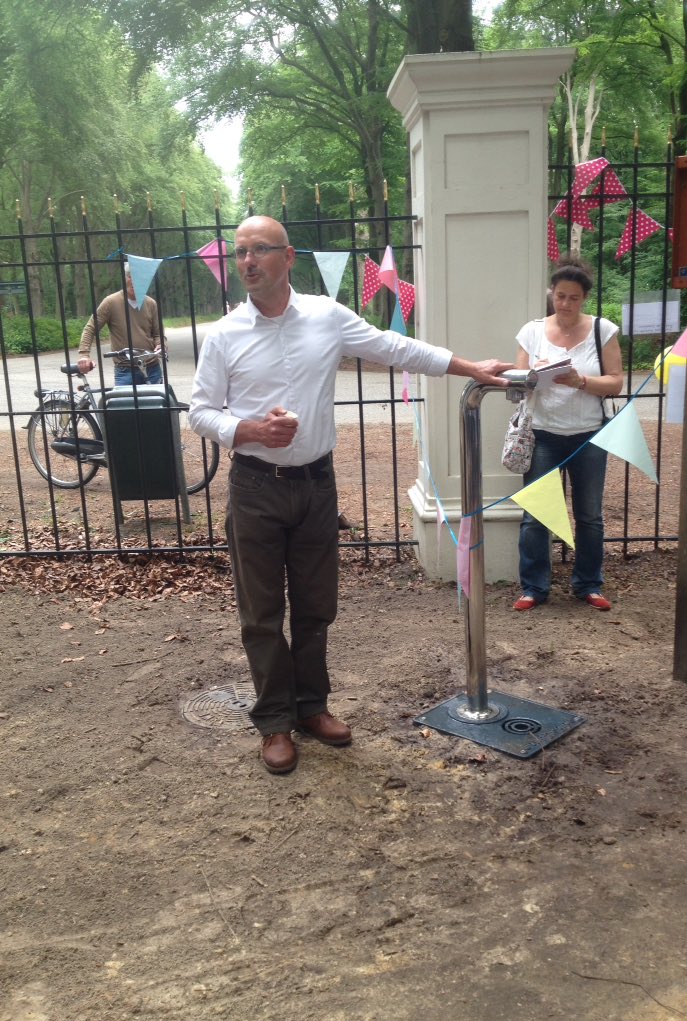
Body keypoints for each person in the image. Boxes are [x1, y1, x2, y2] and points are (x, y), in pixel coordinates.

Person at [188, 215, 515, 775]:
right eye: (240, 252)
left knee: (316, 606)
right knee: (261, 613)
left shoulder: (326, 316)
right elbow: (199, 411)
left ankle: (311, 707)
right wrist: (249, 430)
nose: (247, 261)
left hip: (316, 485)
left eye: (259, 249)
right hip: (255, 487)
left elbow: (394, 347)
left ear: (288, 257)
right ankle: (274, 722)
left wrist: (470, 367)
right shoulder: (224, 334)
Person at [512, 253, 623, 613]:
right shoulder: (532, 331)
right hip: (542, 433)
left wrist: (580, 381)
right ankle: (534, 587)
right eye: (560, 296)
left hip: (589, 435)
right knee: (536, 516)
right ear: (552, 293)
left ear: (584, 297)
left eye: (574, 298)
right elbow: (517, 384)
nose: (565, 304)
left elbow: (616, 383)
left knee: (589, 515)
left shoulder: (602, 330)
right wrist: (535, 374)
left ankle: (588, 584)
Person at [78, 265, 164, 385]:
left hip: (152, 368)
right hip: (125, 370)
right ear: (124, 278)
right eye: (130, 277)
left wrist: (160, 344)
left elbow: (158, 334)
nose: (134, 281)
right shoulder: (111, 302)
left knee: (158, 398)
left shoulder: (151, 304)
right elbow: (90, 328)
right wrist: (84, 355)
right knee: (123, 398)